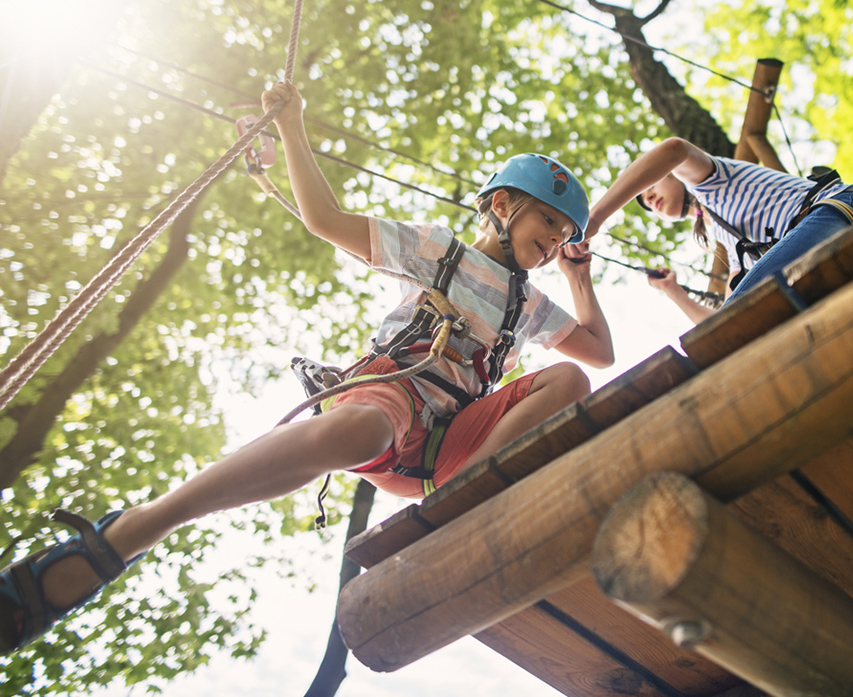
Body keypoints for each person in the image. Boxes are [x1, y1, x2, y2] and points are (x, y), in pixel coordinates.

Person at [0, 82, 614, 653]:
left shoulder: (527, 303)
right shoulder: (436, 250)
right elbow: (324, 219)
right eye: (549, 223)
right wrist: (293, 128)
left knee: (569, 381)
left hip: (451, 445)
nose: (557, 239)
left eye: (565, 233)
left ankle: (467, 497)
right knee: (367, 429)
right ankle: (134, 531)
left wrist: (578, 278)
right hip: (390, 398)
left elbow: (596, 350)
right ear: (501, 205)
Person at [581, 136, 853, 323]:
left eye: (649, 186)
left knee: (744, 312)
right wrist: (673, 291)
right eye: (645, 205)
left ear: (674, 176)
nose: (648, 199)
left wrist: (594, 219)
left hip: (840, 208)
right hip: (823, 236)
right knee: (735, 323)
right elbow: (720, 324)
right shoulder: (730, 245)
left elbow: (673, 149)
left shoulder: (711, 181)